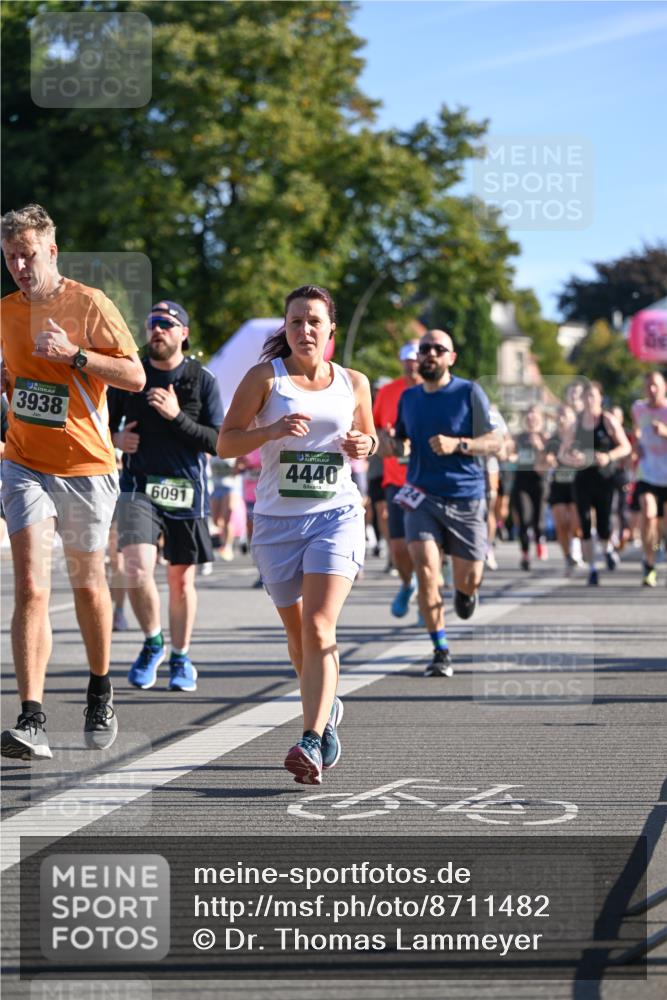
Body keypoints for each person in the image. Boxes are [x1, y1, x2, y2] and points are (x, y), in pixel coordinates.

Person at [0, 203, 145, 760]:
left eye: (27, 254)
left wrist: (75, 355)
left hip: (87, 468)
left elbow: (134, 375)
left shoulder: (89, 304)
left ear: (52, 251)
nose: (18, 265)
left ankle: (100, 688)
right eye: (10, 256)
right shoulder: (6, 312)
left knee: (88, 584)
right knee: (32, 586)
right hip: (24, 463)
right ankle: (31, 716)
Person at [216, 284, 375, 786]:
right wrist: (271, 430)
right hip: (276, 523)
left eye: (313, 321)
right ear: (284, 328)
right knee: (297, 634)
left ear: (331, 328)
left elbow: (369, 440)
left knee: (320, 626)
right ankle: (326, 709)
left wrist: (362, 443)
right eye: (295, 321)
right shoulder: (266, 377)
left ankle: (309, 738)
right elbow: (225, 443)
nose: (304, 330)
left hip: (336, 515)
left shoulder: (353, 381)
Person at [109, 301, 224, 692]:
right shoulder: (131, 375)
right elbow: (98, 427)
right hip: (138, 487)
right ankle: (153, 642)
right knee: (137, 567)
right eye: (152, 323)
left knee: (180, 581)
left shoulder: (201, 379)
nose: (156, 330)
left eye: (166, 324)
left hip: (186, 489)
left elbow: (218, 442)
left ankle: (181, 656)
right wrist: (116, 439)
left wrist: (177, 416)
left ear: (183, 333)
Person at [385, 329, 501, 676]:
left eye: (438, 349)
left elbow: (495, 441)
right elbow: (404, 444)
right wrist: (394, 444)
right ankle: (440, 649)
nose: (430, 354)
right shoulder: (409, 398)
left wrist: (459, 445)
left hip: (465, 496)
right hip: (422, 496)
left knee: (469, 579)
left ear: (451, 357)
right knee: (426, 571)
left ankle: (466, 594)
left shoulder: (468, 392)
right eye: (425, 349)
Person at [560, 381, 631, 585]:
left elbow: (625, 446)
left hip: (604, 479)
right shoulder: (576, 423)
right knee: (584, 523)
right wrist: (573, 459)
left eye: (593, 396)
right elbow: (562, 453)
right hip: (582, 479)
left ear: (601, 398)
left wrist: (608, 456)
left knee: (604, 525)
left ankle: (608, 548)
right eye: (586, 396)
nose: (589, 400)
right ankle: (592, 569)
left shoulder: (607, 420)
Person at [373, 342, 422, 616]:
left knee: (426, 548)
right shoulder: (389, 392)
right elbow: (375, 426)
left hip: (428, 481)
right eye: (408, 360)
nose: (412, 365)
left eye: (416, 359)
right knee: (400, 546)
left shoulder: (432, 391)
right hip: (395, 479)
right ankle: (407, 584)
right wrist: (384, 438)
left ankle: (428, 601)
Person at [631, 371, 667, 586]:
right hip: (647, 473)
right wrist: (637, 448)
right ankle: (649, 563)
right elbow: (638, 431)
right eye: (648, 386)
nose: (651, 390)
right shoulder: (638, 408)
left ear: (664, 388)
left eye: (655, 385)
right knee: (648, 512)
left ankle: (659, 546)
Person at [508, 406, 549, 570]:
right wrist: (511, 456)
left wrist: (539, 447)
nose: (531, 420)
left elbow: (550, 460)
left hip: (539, 482)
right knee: (524, 520)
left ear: (539, 419)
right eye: (529, 417)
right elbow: (510, 453)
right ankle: (525, 554)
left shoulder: (545, 438)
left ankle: (540, 539)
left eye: (534, 417)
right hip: (521, 481)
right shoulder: (518, 437)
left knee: (538, 520)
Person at [544, 404, 579, 575]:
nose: (562, 419)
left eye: (565, 415)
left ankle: (578, 546)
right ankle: (567, 556)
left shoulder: (580, 437)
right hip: (558, 483)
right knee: (560, 524)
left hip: (576, 484)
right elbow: (548, 456)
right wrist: (550, 459)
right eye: (559, 415)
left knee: (574, 524)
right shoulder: (553, 439)